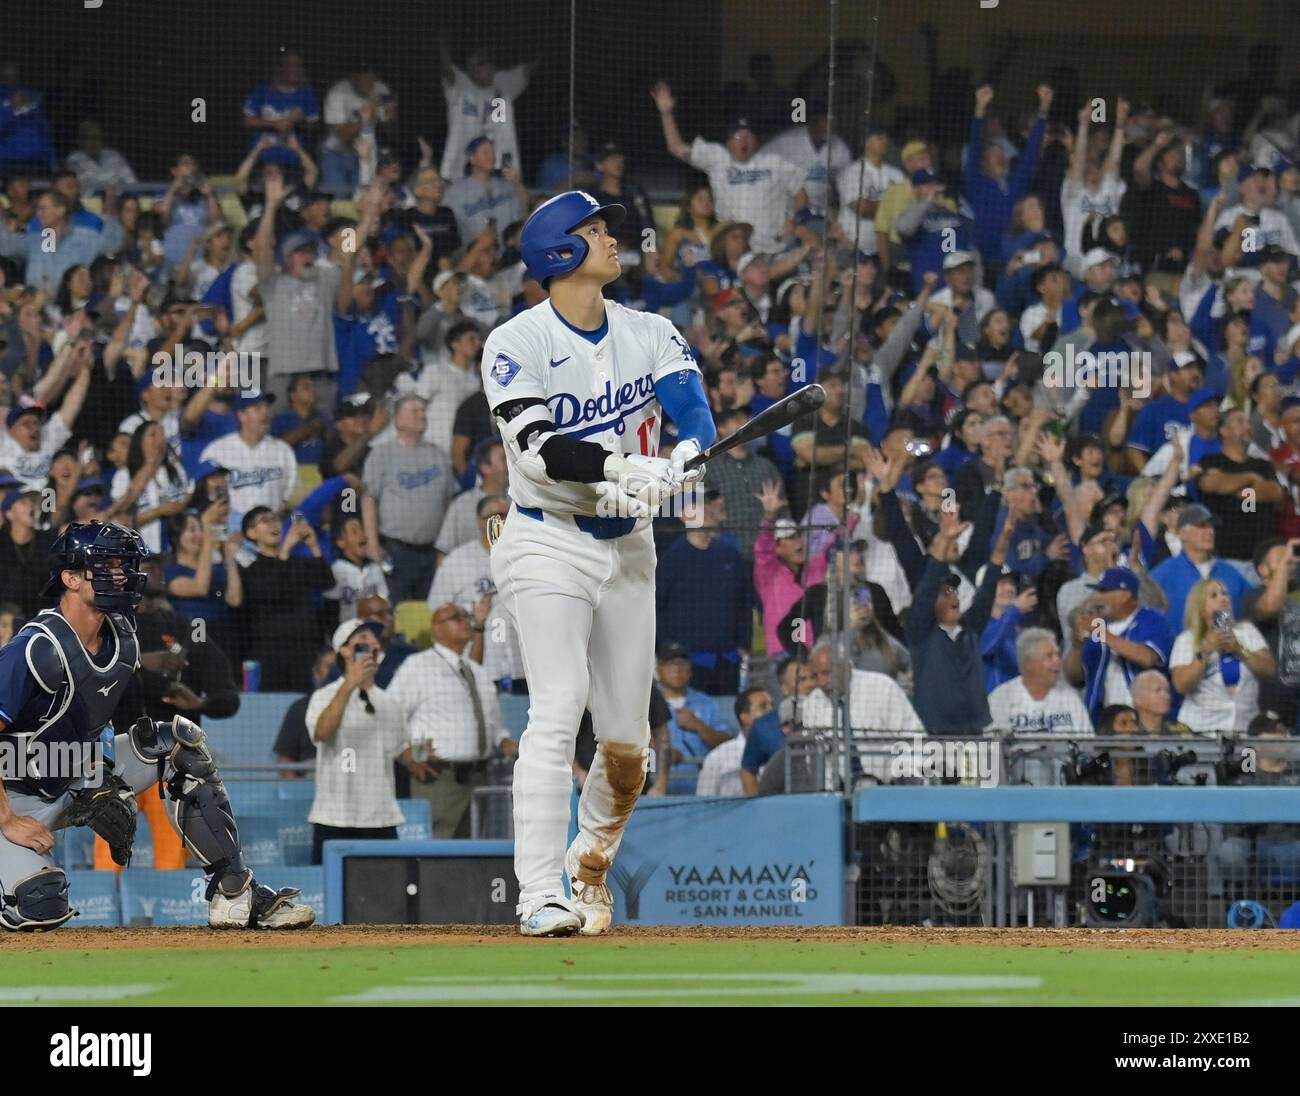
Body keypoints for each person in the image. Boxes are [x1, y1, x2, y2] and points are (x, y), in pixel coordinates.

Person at [481, 190, 715, 935]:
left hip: (630, 548)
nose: (611, 238)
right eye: (594, 230)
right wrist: (621, 465)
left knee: (626, 748)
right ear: (559, 252)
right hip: (547, 538)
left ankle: (589, 866)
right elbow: (539, 447)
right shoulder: (513, 342)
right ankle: (537, 894)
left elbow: (692, 406)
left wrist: (683, 453)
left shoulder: (650, 330)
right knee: (556, 708)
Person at [0, 521, 313, 929]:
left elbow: (93, 717)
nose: (121, 573)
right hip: (13, 796)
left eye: (123, 564)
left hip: (69, 776)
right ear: (70, 578)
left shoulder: (124, 637)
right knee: (39, 906)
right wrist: (6, 819)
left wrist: (105, 773)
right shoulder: (36, 647)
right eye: (107, 564)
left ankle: (235, 894)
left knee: (178, 742)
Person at [305, 619, 429, 864]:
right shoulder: (324, 696)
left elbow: (400, 749)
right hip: (334, 818)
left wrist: (422, 755)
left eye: (373, 638)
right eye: (361, 638)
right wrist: (350, 684)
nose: (370, 641)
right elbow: (322, 733)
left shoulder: (390, 702)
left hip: (381, 818)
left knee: (387, 895)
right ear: (344, 650)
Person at [387, 603, 515, 838]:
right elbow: (390, 716)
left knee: (474, 851)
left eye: (466, 616)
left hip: (480, 778)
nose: (465, 621)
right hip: (439, 778)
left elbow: (492, 721)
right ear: (437, 629)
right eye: (456, 617)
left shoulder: (477, 671)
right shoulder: (418, 666)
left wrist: (504, 740)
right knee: (438, 852)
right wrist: (407, 754)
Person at [651, 82, 807, 255]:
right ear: (728, 141)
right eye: (738, 136)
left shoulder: (773, 160)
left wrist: (794, 218)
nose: (744, 141)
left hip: (773, 250)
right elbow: (676, 147)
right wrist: (666, 113)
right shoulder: (717, 157)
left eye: (749, 135)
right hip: (732, 253)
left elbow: (800, 193)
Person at [907, 505, 1012, 734]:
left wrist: (1004, 539)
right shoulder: (922, 633)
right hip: (936, 737)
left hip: (975, 735)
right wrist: (944, 539)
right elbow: (928, 586)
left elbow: (988, 585)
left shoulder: (970, 628)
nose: (954, 596)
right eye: (946, 593)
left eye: (954, 591)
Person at [654, 487, 751, 695]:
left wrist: (743, 644)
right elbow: (657, 607)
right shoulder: (671, 559)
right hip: (688, 663)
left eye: (707, 504)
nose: (706, 510)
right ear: (682, 515)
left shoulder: (730, 555)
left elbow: (744, 602)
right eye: (697, 505)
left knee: (725, 725)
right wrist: (669, 650)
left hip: (727, 660)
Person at [361, 394, 455, 603]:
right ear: (398, 421)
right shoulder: (382, 454)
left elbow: (449, 501)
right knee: (399, 610)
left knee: (430, 609)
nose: (422, 415)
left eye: (423, 410)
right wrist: (372, 543)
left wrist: (445, 545)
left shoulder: (438, 454)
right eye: (415, 411)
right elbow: (368, 499)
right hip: (396, 550)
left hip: (432, 551)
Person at [237, 506, 334, 692]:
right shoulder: (251, 569)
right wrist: (286, 549)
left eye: (275, 519)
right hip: (272, 652)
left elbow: (327, 582)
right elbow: (273, 590)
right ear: (251, 533)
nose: (274, 524)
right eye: (265, 520)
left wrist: (314, 547)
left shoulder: (297, 562)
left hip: (305, 649)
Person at [1067, 566, 1174, 721]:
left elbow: (1147, 657)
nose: (1096, 596)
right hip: (1102, 721)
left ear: (1124, 595)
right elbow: (1074, 677)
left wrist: (1103, 634)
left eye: (1103, 591)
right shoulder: (1095, 626)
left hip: (1145, 721)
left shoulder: (1153, 620)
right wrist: (1076, 646)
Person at [1170, 578, 1275, 734]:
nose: (1223, 598)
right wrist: (1206, 651)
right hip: (1202, 732)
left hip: (1244, 729)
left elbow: (1269, 669)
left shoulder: (1246, 631)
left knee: (1249, 760)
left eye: (1225, 594)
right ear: (1199, 605)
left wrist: (1240, 650)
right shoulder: (1186, 640)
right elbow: (1180, 685)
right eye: (1214, 595)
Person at [198, 389, 297, 528]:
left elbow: (290, 499)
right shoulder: (217, 451)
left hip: (272, 530)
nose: (265, 412)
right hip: (231, 534)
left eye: (266, 407)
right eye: (258, 408)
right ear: (241, 415)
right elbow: (208, 500)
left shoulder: (283, 451)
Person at [1150, 503, 1252, 632]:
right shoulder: (1163, 574)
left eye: (1211, 527)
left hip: (1225, 647)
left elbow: (1254, 607)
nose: (1210, 531)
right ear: (1183, 534)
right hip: (1181, 648)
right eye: (1202, 526)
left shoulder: (1229, 572)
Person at [438, 48, 531, 182]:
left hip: (497, 169)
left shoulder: (501, 90)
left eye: (490, 63)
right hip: (457, 169)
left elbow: (528, 69)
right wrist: (441, 40)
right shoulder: (460, 85)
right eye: (481, 64)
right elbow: (446, 67)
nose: (487, 67)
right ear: (470, 68)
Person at [654, 642, 732, 791]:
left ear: (690, 669)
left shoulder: (706, 702)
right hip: (656, 788)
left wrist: (699, 726)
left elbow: (728, 746)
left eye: (682, 663)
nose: (677, 669)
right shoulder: (647, 702)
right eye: (670, 664)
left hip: (701, 787)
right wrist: (662, 753)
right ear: (659, 670)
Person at [987, 627, 1093, 736]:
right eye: (1049, 656)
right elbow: (989, 746)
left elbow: (1087, 744)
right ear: (1028, 664)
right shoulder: (1001, 697)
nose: (1057, 661)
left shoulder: (1069, 699)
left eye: (1057, 655)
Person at [697, 687, 772, 798]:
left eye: (772, 705)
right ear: (744, 717)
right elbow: (703, 801)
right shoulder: (718, 757)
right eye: (763, 706)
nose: (771, 710)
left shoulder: (781, 750)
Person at [274, 648, 337, 777]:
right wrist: (294, 792)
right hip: (309, 781)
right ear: (316, 673)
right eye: (329, 666)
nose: (334, 672)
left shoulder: (356, 707)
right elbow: (285, 759)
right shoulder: (299, 709)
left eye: (338, 667)